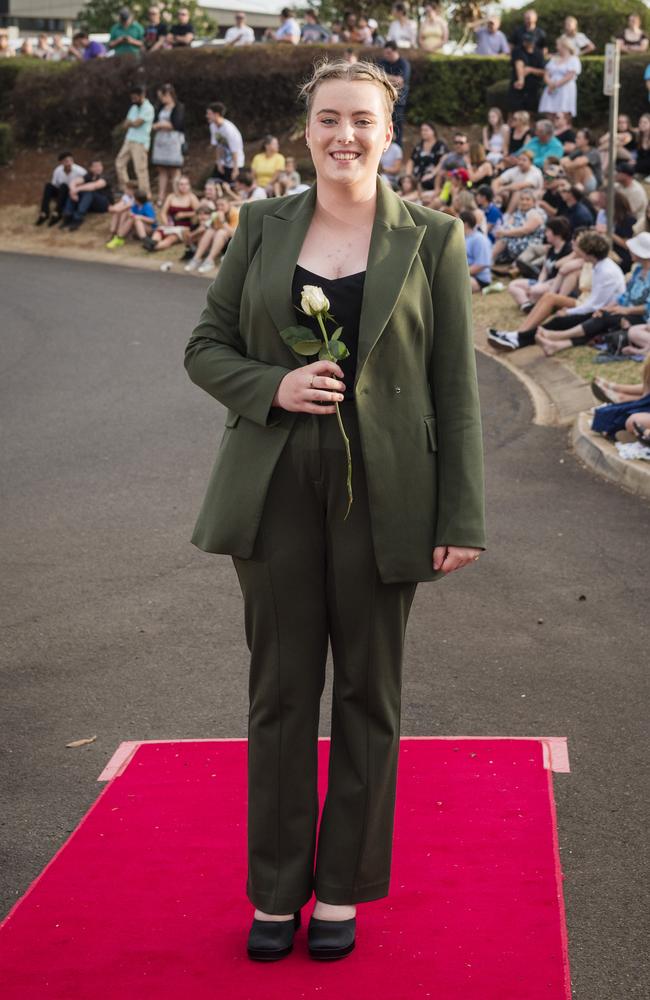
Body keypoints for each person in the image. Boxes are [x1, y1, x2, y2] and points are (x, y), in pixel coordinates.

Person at [183, 57, 485, 963]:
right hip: (274, 485)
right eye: (327, 119)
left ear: (390, 132)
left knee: (368, 692)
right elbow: (206, 346)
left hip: (389, 494)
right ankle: (275, 889)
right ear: (304, 130)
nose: (344, 135)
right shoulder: (260, 225)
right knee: (279, 693)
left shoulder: (433, 236)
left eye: (362, 119)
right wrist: (272, 383)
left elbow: (455, 387)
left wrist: (460, 515)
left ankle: (343, 891)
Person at [488, 231, 626, 351]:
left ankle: (518, 338)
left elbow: (594, 305)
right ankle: (517, 335)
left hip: (600, 312)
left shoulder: (606, 271)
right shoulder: (599, 266)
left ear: (588, 253)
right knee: (552, 302)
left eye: (581, 249)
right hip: (590, 305)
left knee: (558, 321)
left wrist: (568, 311)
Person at [536, 233, 650, 355]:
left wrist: (625, 310)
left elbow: (647, 307)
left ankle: (558, 336)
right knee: (600, 318)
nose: (630, 251)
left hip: (642, 317)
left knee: (602, 318)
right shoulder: (638, 270)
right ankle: (558, 345)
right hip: (626, 311)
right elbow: (624, 295)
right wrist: (609, 307)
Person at [115, 84, 155, 199]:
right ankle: (126, 189)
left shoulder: (148, 108)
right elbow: (125, 124)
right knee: (119, 163)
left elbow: (137, 123)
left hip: (140, 142)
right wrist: (131, 123)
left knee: (140, 169)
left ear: (141, 95)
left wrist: (131, 123)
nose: (133, 100)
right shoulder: (133, 107)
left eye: (135, 97)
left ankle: (144, 194)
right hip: (129, 139)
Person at [142, 174, 198, 251]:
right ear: (177, 186)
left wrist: (185, 214)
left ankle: (153, 247)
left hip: (184, 226)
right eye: (181, 184)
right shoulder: (171, 197)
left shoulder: (191, 197)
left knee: (170, 238)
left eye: (186, 184)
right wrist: (166, 223)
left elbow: (199, 212)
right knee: (158, 233)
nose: (184, 186)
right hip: (170, 224)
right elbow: (163, 212)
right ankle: (152, 242)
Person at [151, 83, 186, 205]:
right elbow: (154, 121)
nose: (161, 99)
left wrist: (161, 125)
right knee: (162, 170)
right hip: (161, 141)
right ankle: (161, 197)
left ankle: (178, 196)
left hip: (173, 142)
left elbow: (177, 124)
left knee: (174, 170)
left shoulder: (178, 107)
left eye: (162, 96)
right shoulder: (160, 108)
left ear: (168, 94)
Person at [35, 151, 86, 227]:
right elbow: (54, 185)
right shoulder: (58, 171)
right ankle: (44, 212)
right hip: (61, 193)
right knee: (48, 186)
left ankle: (57, 213)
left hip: (74, 193)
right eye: (66, 161)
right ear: (61, 162)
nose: (69, 163)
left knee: (63, 186)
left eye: (71, 161)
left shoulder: (80, 171)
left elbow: (86, 183)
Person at [60, 159, 112, 231]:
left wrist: (76, 189)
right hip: (91, 205)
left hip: (104, 204)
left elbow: (94, 186)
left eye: (100, 166)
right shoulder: (89, 176)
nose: (98, 168)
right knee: (76, 189)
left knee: (88, 191)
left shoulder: (105, 177)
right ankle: (68, 215)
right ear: (91, 168)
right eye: (96, 166)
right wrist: (73, 191)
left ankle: (78, 218)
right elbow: (74, 181)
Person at [378, 41, 411, 146]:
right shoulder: (382, 63)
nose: (386, 55)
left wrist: (385, 77)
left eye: (389, 52)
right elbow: (377, 76)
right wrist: (393, 78)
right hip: (384, 99)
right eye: (385, 52)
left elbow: (400, 81)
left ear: (395, 51)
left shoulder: (404, 64)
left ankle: (398, 148)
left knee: (397, 126)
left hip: (398, 101)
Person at [539, 37, 581, 118]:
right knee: (549, 111)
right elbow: (546, 73)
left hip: (565, 89)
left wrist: (555, 85)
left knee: (563, 112)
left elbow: (570, 75)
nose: (557, 47)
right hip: (551, 88)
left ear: (565, 46)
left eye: (558, 45)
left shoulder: (574, 59)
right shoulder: (554, 59)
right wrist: (550, 84)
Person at [206, 102, 244, 185]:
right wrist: (219, 163)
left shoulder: (228, 129)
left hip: (235, 163)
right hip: (224, 162)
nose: (207, 116)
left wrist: (235, 169)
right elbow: (218, 146)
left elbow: (235, 150)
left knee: (232, 187)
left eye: (209, 114)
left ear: (216, 114)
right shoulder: (213, 126)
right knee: (213, 184)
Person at [509, 31, 546, 113]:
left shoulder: (538, 53)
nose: (528, 43)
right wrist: (521, 80)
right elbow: (519, 64)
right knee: (516, 112)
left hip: (533, 89)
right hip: (518, 90)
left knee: (531, 113)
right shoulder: (518, 51)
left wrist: (530, 70)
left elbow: (544, 71)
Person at [405, 121, 447, 190]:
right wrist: (408, 176)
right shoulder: (419, 146)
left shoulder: (440, 145)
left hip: (432, 177)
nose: (423, 132)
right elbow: (411, 161)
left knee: (427, 182)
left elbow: (443, 161)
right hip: (416, 177)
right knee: (404, 181)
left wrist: (432, 174)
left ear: (433, 131)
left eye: (426, 130)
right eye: (422, 130)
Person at [560, 127, 601, 193]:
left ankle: (577, 189)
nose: (575, 140)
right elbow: (562, 161)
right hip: (578, 180)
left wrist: (568, 164)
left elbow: (579, 163)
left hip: (593, 184)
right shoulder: (578, 151)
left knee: (582, 167)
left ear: (586, 141)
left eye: (578, 138)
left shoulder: (594, 152)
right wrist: (567, 164)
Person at [461, 210, 492, 292]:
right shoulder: (462, 237)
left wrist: (459, 274)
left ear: (466, 224)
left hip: (478, 279)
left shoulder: (479, 239)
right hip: (466, 274)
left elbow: (481, 265)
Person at [615, 161, 648, 226]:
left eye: (619, 172)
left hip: (635, 223)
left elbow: (628, 212)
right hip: (620, 217)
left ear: (626, 175)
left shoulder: (636, 191)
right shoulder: (619, 185)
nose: (616, 174)